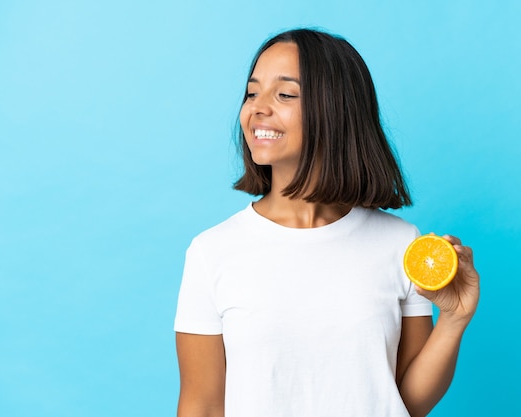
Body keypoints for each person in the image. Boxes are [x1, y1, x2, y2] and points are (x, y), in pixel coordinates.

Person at [174, 28, 480, 417]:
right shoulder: (211, 252)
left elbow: (405, 402)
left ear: (336, 109)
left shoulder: (400, 244)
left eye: (284, 94)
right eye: (252, 93)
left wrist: (454, 320)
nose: (257, 108)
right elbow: (201, 405)